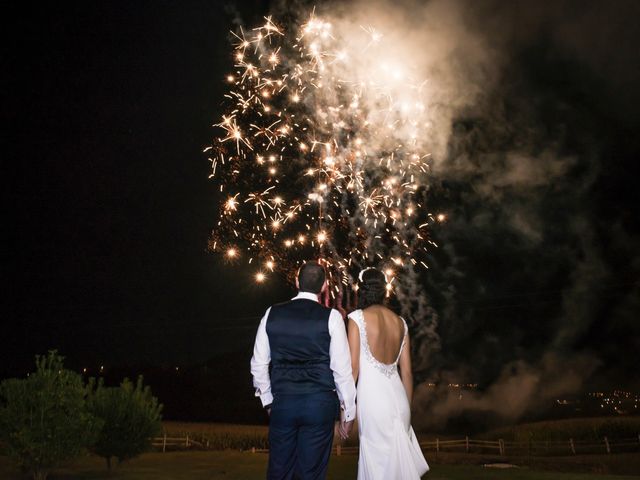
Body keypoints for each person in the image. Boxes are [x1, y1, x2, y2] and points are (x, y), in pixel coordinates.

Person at [250, 261, 357, 480]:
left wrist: (268, 401)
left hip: (284, 402)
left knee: (279, 471)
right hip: (319, 405)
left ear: (297, 281)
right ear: (325, 286)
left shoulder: (272, 313)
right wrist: (349, 411)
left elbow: (258, 365)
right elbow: (341, 370)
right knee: (311, 473)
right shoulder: (333, 318)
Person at [345, 267, 429, 479]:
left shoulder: (356, 318)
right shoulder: (400, 322)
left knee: (377, 464)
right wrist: (406, 410)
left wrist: (345, 410)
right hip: (400, 401)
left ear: (362, 290)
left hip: (373, 401)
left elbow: (353, 370)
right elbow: (407, 373)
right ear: (384, 290)